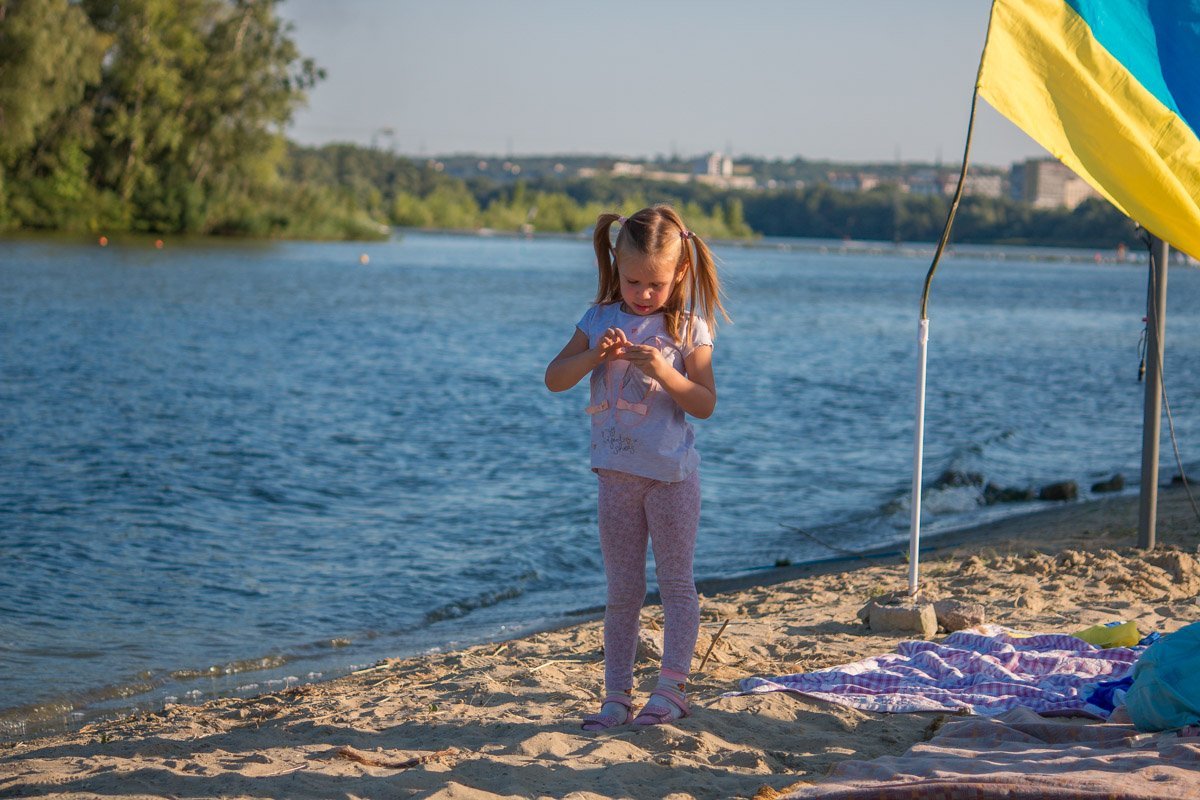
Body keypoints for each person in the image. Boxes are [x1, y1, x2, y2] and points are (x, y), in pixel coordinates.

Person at [545, 205, 729, 729]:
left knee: (675, 584)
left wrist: (668, 374)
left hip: (671, 478)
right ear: (615, 267)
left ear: (680, 275)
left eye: (656, 283)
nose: (644, 294)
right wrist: (594, 358)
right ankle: (616, 695)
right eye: (633, 282)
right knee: (622, 590)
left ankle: (671, 688)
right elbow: (555, 378)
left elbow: (705, 402)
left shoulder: (689, 326)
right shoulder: (599, 318)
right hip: (614, 477)